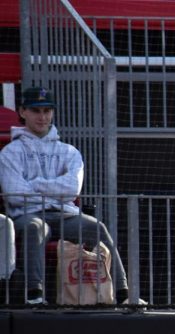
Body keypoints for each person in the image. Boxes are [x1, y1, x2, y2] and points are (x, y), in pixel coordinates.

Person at [0, 87, 132, 306]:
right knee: (35, 227)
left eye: (47, 111)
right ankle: (35, 295)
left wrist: (35, 186)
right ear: (23, 112)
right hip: (26, 214)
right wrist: (55, 193)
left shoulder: (69, 151)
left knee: (96, 227)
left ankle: (124, 293)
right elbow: (14, 194)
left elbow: (72, 190)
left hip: (65, 214)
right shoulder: (10, 152)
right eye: (36, 111)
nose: (42, 117)